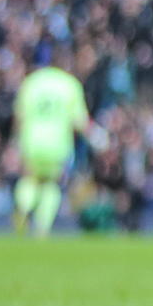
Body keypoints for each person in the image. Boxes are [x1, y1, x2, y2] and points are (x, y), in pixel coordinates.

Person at [13, 54, 92, 238]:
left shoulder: (31, 82)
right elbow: (80, 121)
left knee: (30, 179)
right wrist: (98, 138)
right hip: (57, 143)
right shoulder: (70, 84)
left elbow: (19, 115)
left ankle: (23, 206)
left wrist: (16, 142)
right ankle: (41, 227)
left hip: (31, 140)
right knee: (51, 183)